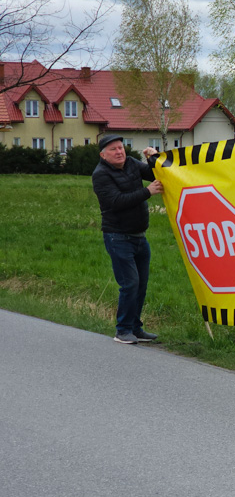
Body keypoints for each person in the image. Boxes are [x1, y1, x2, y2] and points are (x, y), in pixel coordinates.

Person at [92, 134, 164, 344]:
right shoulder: (101, 174)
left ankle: (135, 328)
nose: (119, 152)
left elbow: (154, 174)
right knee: (130, 283)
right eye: (113, 149)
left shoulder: (132, 163)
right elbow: (116, 202)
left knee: (141, 284)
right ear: (103, 155)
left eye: (121, 148)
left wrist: (154, 158)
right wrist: (147, 192)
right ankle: (122, 330)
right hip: (118, 236)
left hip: (139, 236)